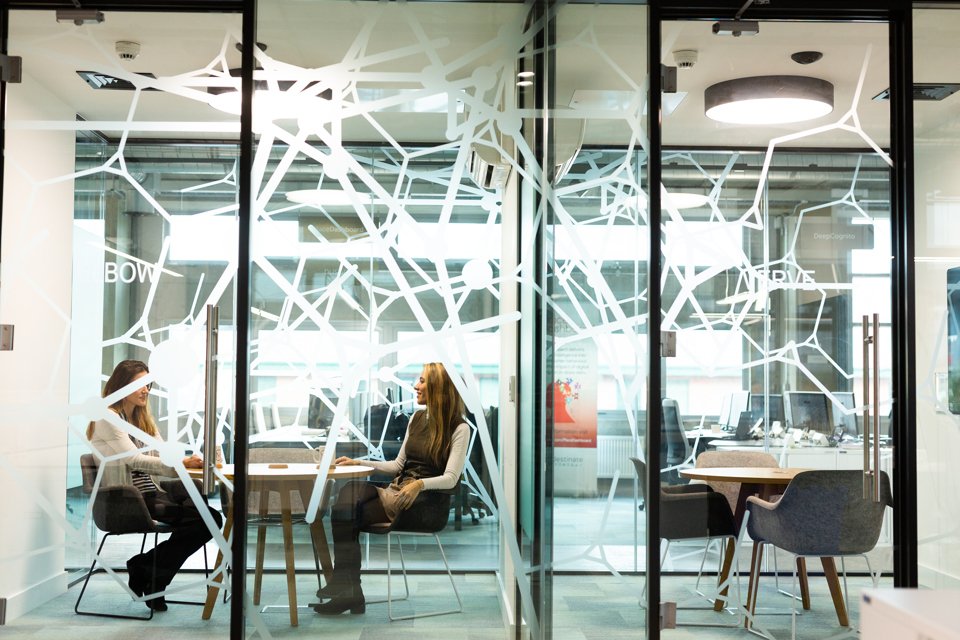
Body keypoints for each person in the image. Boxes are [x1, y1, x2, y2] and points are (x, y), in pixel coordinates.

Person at [313, 362, 470, 615]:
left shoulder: (460, 428)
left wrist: (419, 484)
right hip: (398, 492)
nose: (415, 386)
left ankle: (349, 591)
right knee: (349, 494)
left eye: (422, 381)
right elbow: (398, 465)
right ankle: (348, 588)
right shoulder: (417, 419)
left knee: (346, 513)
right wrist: (360, 462)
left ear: (439, 389)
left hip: (424, 504)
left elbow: (451, 478)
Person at [86, 359, 223, 612]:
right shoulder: (108, 417)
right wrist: (178, 463)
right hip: (127, 501)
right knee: (208, 519)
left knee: (210, 517)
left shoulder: (141, 419)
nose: (146, 390)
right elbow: (133, 459)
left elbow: (162, 453)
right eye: (139, 384)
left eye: (148, 384)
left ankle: (149, 570)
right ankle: (148, 572)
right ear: (121, 387)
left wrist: (183, 460)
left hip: (150, 494)